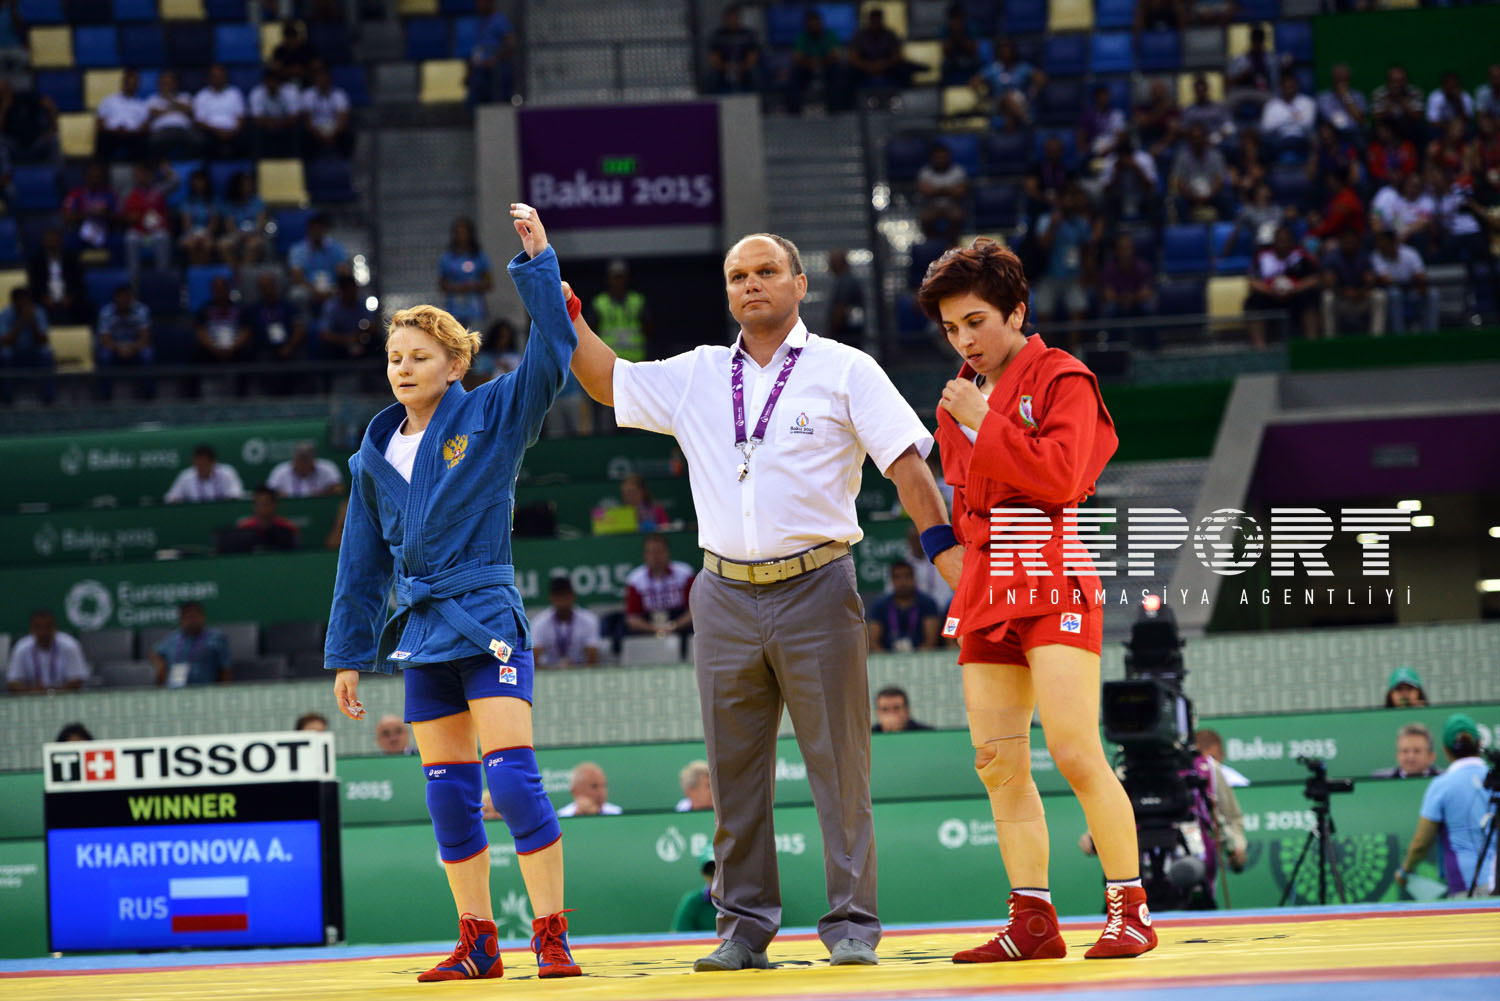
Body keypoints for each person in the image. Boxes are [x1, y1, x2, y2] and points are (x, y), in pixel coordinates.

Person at [562, 228, 956, 971]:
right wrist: (570, 317)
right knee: (733, 770)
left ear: (799, 283)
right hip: (721, 593)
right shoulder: (698, 373)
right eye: (738, 275)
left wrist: (945, 552)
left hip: (818, 586)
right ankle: (742, 927)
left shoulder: (846, 369)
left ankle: (852, 924)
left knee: (839, 766)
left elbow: (907, 467)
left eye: (767, 270)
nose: (751, 283)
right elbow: (608, 381)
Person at [323, 203, 582, 981]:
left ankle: (551, 933)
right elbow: (360, 561)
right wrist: (349, 652)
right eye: (394, 357)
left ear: (456, 363)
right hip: (423, 633)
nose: (403, 367)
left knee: (513, 780)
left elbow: (552, 356)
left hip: (486, 618)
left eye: (420, 356)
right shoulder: (372, 456)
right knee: (447, 795)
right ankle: (478, 941)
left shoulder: (492, 413)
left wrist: (537, 263)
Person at [917, 238, 1156, 962]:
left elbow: (1060, 478)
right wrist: (952, 552)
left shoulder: (1063, 378)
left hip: (1052, 572)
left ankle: (1131, 910)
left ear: (1016, 312)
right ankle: (1033, 922)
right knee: (996, 761)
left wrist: (982, 419)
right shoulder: (957, 396)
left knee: (1075, 749)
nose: (965, 341)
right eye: (952, 328)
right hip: (988, 584)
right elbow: (967, 497)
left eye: (977, 321)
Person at [1396, 714, 1496, 898]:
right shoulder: (1495, 778)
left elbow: (1421, 843)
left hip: (1467, 886)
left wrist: (1404, 871)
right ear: (1479, 743)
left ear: (1445, 750)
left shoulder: (1441, 786)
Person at [1244, 225, 1321, 347]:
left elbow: (1314, 279)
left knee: (1310, 298)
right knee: (1253, 301)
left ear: (1292, 242)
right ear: (1274, 242)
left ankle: (1312, 345)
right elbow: (1252, 281)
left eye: (1286, 240)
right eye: (1280, 240)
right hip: (1270, 296)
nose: (1283, 244)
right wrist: (1271, 292)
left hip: (1295, 296)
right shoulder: (1262, 256)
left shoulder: (1301, 256)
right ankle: (1260, 348)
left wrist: (1294, 289)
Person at [623, 533, 694, 642]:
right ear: (644, 555)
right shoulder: (635, 579)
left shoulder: (685, 573)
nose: (655, 557)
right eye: (651, 552)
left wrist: (673, 626)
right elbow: (632, 618)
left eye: (659, 551)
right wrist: (656, 630)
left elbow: (694, 611)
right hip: (648, 625)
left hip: (680, 623)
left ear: (667, 552)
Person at [1372, 228, 1440, 335]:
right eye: (1379, 242)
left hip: (1412, 291)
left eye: (1383, 241)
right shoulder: (1376, 256)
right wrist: (1410, 282)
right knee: (1395, 294)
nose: (1380, 245)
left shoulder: (1410, 252)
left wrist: (1420, 285)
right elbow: (1386, 280)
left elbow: (1421, 275)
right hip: (1392, 293)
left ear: (1393, 241)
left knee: (1432, 294)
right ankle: (1399, 335)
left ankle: (1431, 334)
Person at [94, 282, 154, 401]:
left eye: (126, 296)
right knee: (104, 357)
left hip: (135, 347)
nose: (123, 300)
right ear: (115, 298)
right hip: (114, 348)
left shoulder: (141, 310)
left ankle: (148, 399)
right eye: (120, 297)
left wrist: (132, 348)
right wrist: (119, 348)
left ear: (131, 298)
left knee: (147, 355)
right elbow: (105, 339)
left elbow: (145, 337)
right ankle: (105, 399)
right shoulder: (106, 312)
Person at [1320, 230, 1384, 338]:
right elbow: (1328, 282)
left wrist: (1359, 292)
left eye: (1352, 242)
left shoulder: (1364, 256)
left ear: (1358, 242)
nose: (1349, 245)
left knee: (1379, 296)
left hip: (1360, 298)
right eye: (1346, 242)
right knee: (1327, 297)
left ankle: (1376, 337)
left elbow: (1371, 281)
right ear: (1340, 242)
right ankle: (1330, 338)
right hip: (1341, 299)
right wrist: (1344, 292)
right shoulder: (1332, 257)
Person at [150, 600, 231, 687]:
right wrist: (160, 666)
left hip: (205, 688)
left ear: (203, 617)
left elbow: (225, 669)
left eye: (194, 616)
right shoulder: (173, 638)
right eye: (187, 617)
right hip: (176, 688)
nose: (191, 621)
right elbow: (154, 652)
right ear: (181, 620)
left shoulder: (216, 638)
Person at [866, 560, 941, 652]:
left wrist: (916, 659)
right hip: (887, 657)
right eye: (897, 577)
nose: (902, 582)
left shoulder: (928, 603)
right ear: (891, 580)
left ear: (914, 578)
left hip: (922, 656)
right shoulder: (880, 605)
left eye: (907, 576)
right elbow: (873, 642)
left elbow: (931, 641)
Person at [6, 609, 88, 692]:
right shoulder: (21, 648)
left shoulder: (70, 645)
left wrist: (54, 692)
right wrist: (33, 691)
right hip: (32, 696)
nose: (43, 632)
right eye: (38, 628)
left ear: (55, 628)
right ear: (31, 629)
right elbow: (13, 683)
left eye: (48, 627)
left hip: (64, 696)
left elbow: (78, 680)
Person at [530, 575, 602, 668]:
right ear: (551, 598)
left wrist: (574, 669)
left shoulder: (589, 620)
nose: (562, 600)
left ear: (573, 596)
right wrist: (555, 669)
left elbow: (593, 658)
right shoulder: (539, 622)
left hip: (580, 669)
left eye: (565, 595)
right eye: (558, 596)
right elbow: (534, 659)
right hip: (550, 670)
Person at [0, 286, 54, 406]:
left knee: (46, 353)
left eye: (27, 300)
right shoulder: (5, 314)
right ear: (14, 302)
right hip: (15, 355)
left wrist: (33, 323)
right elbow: (5, 341)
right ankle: (6, 398)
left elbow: (44, 341)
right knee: (5, 354)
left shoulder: (38, 312)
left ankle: (48, 398)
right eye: (21, 301)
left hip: (34, 354)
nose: (25, 304)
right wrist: (21, 322)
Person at [121, 160, 173, 283]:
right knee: (130, 238)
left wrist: (165, 168)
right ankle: (133, 280)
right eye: (138, 174)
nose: (141, 177)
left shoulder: (158, 190)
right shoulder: (129, 193)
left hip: (156, 231)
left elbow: (176, 181)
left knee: (162, 236)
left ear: (150, 175)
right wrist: (129, 217)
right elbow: (124, 216)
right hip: (139, 232)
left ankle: (162, 278)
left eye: (144, 174)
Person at [590, 259, 650, 365]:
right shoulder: (599, 303)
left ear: (627, 279)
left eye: (621, 277)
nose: (618, 282)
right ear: (608, 279)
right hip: (609, 361)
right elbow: (591, 332)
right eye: (615, 277)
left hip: (636, 361)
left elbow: (649, 329)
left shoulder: (637, 300)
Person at [439, 217, 493, 334]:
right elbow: (442, 284)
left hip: (475, 308)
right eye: (458, 233)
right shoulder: (447, 257)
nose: (462, 236)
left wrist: (474, 285)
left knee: (475, 339)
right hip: (454, 308)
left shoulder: (479, 256)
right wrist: (457, 287)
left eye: (464, 232)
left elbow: (488, 282)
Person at [1170, 122, 1232, 222]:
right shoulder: (1182, 157)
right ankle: (1187, 229)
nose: (1197, 141)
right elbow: (1179, 182)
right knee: (1179, 202)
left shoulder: (1216, 156)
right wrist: (1192, 196)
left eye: (1199, 137)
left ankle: (1225, 228)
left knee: (1226, 198)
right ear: (1189, 139)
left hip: (1212, 194)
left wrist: (1209, 195)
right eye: (1194, 138)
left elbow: (1220, 180)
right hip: (1189, 195)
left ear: (1205, 138)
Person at [288, 212, 349, 310]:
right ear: (308, 230)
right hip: (309, 288)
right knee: (297, 294)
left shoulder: (336, 248)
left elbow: (343, 274)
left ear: (324, 230)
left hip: (332, 287)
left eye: (319, 229)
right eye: (314, 229)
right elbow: (297, 277)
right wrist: (314, 290)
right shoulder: (298, 250)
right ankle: (302, 318)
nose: (316, 232)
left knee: (346, 291)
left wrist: (332, 289)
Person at [27, 227, 85, 326]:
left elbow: (78, 281)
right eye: (49, 241)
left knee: (83, 306)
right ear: (44, 242)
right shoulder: (36, 260)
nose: (52, 244)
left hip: (68, 297)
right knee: (35, 307)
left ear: (60, 241)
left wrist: (70, 296)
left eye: (54, 240)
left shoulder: (71, 258)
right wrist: (44, 297)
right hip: (45, 298)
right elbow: (34, 283)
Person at [465, 0, 516, 106]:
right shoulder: (480, 22)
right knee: (473, 93)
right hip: (480, 68)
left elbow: (510, 44)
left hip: (496, 67)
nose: (479, 5)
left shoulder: (499, 20)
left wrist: (494, 59)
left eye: (482, 2)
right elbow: (478, 49)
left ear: (490, 2)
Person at [195, 275, 254, 365]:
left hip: (236, 349)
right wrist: (214, 349)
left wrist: (233, 348)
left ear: (227, 289)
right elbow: (200, 332)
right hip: (212, 349)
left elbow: (246, 331)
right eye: (217, 289)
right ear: (212, 290)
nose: (220, 292)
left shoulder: (240, 309)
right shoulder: (204, 310)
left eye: (222, 289)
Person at [193, 63, 247, 159]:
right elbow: (199, 121)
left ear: (226, 77)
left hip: (233, 132)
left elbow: (241, 117)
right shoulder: (201, 95)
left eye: (221, 76)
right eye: (215, 76)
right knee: (201, 139)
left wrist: (234, 131)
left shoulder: (235, 93)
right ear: (209, 78)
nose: (218, 79)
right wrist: (218, 131)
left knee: (247, 136)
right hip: (211, 132)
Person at [848, 7, 909, 91]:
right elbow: (853, 58)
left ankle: (904, 95)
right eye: (873, 20)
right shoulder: (860, 36)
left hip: (887, 67)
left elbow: (897, 56)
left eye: (877, 19)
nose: (876, 22)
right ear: (869, 20)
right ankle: (851, 98)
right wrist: (869, 66)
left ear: (881, 20)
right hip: (864, 68)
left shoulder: (890, 35)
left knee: (903, 70)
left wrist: (882, 65)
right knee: (849, 73)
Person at [318, 274, 378, 360]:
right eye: (349, 291)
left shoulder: (362, 303)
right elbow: (324, 334)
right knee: (325, 346)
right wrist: (347, 340)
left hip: (360, 340)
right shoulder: (331, 306)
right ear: (342, 291)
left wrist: (364, 332)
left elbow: (372, 325)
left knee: (376, 341)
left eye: (354, 290)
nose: (353, 293)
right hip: (339, 345)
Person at [248, 65, 303, 158]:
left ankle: (295, 159)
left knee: (297, 129)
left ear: (280, 83)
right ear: (265, 82)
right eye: (269, 82)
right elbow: (257, 119)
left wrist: (280, 124)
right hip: (266, 127)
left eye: (274, 82)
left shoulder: (290, 92)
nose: (272, 85)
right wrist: (272, 124)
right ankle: (258, 161)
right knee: (255, 130)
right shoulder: (257, 93)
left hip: (285, 126)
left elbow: (294, 117)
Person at [61, 160, 117, 252]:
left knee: (118, 242)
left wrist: (106, 213)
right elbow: (67, 217)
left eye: (98, 177)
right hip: (81, 231)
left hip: (105, 230)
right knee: (69, 241)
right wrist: (88, 213)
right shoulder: (76, 193)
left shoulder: (110, 194)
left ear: (103, 178)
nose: (95, 180)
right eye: (92, 176)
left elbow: (120, 216)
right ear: (86, 177)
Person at [300, 62, 352, 159]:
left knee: (348, 135)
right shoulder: (307, 95)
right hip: (315, 130)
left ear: (330, 79)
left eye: (324, 78)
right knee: (304, 137)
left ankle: (346, 162)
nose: (322, 81)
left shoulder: (340, 95)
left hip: (334, 129)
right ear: (315, 80)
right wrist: (318, 135)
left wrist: (334, 134)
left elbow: (343, 119)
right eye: (319, 78)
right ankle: (308, 164)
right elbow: (307, 121)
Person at [916, 142, 969, 237]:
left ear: (948, 157)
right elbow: (925, 191)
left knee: (957, 217)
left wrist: (936, 190)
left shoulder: (958, 171)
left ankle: (952, 241)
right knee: (926, 219)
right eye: (938, 157)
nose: (941, 160)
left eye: (943, 157)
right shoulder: (925, 172)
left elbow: (960, 192)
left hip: (952, 205)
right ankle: (933, 240)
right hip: (932, 206)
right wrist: (949, 190)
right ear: (932, 158)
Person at [705, 5, 760, 95]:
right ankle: (711, 100)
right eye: (730, 18)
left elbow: (753, 56)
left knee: (755, 72)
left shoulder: (748, 34)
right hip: (723, 68)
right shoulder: (718, 35)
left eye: (735, 18)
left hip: (744, 67)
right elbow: (714, 58)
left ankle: (759, 100)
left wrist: (742, 67)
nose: (732, 21)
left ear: (739, 19)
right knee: (712, 74)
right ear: (725, 19)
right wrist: (726, 67)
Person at [146, 71, 199, 159]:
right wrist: (177, 108)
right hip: (161, 131)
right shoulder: (153, 99)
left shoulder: (185, 96)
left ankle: (195, 164)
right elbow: (153, 113)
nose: (166, 86)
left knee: (199, 140)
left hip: (183, 130)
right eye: (164, 84)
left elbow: (189, 111)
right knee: (150, 142)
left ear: (176, 84)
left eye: (169, 83)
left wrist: (170, 99)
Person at [166, 444, 245, 504]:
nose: (200, 468)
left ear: (213, 462)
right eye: (197, 464)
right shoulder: (186, 476)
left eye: (204, 464)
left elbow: (237, 494)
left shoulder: (227, 472)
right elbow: (170, 498)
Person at [268, 442, 344, 498]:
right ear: (294, 458)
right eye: (300, 459)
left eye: (306, 459)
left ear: (313, 458)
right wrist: (281, 495)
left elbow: (339, 488)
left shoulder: (328, 467)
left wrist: (323, 494)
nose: (302, 463)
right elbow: (268, 493)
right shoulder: (280, 470)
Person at [236, 485, 300, 550]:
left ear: (274, 505)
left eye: (266, 503)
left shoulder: (288, 528)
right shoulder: (244, 528)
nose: (262, 507)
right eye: (259, 504)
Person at [671, 847, 718, 932]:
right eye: (710, 870)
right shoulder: (693, 901)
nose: (716, 874)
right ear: (703, 874)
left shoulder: (741, 900)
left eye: (720, 868)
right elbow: (678, 935)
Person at [1373, 723, 1442, 780]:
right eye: (1405, 751)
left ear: (1431, 756)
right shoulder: (1379, 779)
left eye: (1417, 751)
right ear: (1397, 755)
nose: (1411, 756)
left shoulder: (1444, 778)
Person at [825, 249, 864, 348]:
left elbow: (841, 307)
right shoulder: (847, 280)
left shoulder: (845, 282)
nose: (830, 266)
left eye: (832, 263)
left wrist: (833, 330)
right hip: (851, 332)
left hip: (845, 334)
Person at [554, 761, 622, 817]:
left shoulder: (618, 813)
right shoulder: (561, 817)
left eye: (604, 786)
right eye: (594, 786)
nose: (601, 792)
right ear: (575, 791)